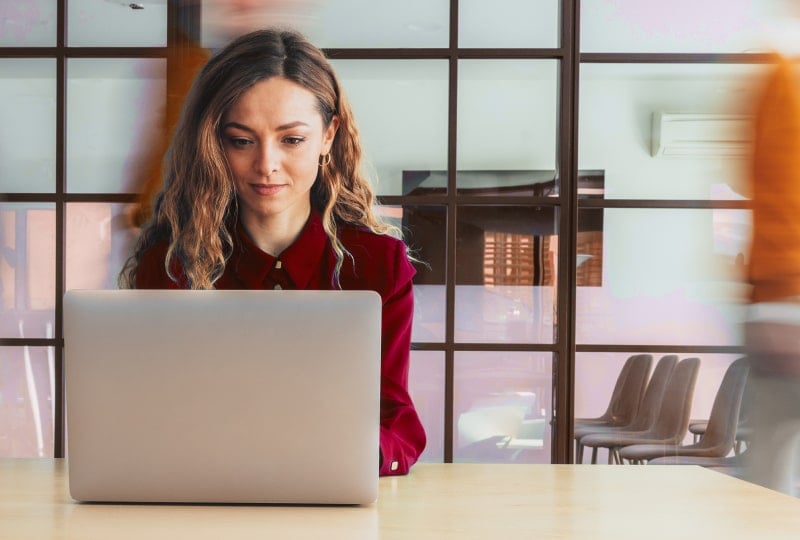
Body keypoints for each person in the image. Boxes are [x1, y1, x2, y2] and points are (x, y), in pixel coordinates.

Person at [119, 28, 426, 476]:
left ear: (328, 136)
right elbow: (148, 415)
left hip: (330, 489)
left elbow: (395, 419)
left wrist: (353, 454)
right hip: (202, 490)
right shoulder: (170, 264)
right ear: (213, 143)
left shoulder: (378, 264)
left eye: (292, 139)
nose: (266, 165)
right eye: (241, 140)